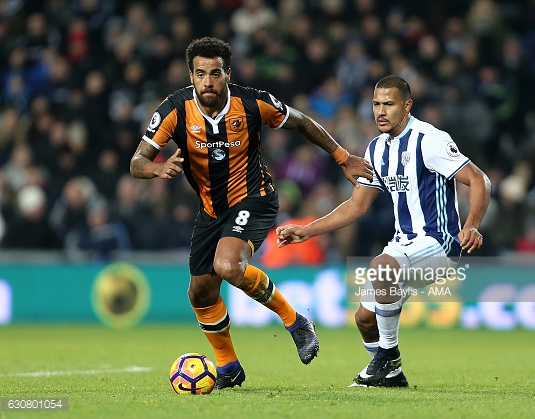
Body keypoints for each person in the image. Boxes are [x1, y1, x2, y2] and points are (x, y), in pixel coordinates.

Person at [129, 37, 373, 389]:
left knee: (227, 266)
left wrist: (342, 157)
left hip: (254, 199)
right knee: (200, 293)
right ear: (191, 75)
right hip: (211, 211)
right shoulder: (174, 109)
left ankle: (296, 322)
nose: (208, 82)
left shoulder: (252, 103)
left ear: (227, 73)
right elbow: (137, 161)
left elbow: (302, 122)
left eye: (215, 73)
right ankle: (228, 366)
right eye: (200, 74)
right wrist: (155, 169)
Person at [277, 75, 491, 387]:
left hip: (439, 241)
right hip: (403, 244)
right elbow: (356, 205)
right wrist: (307, 230)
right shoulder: (376, 148)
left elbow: (478, 179)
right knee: (364, 319)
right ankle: (391, 375)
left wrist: (471, 224)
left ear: (407, 106)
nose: (380, 110)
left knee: (382, 267)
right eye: (376, 104)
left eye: (388, 104)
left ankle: (388, 355)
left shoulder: (429, 139)